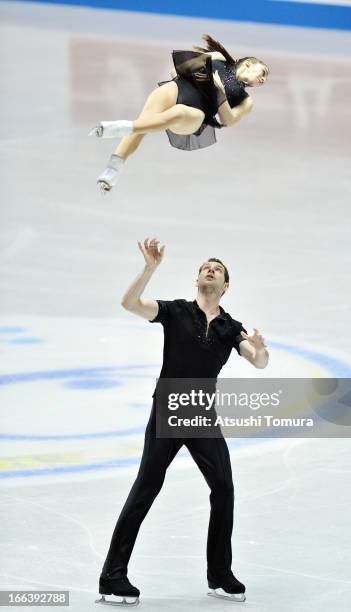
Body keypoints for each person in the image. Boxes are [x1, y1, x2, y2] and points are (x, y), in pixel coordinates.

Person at [96, 237, 269, 607]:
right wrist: (149, 268)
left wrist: (261, 346)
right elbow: (129, 304)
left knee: (223, 488)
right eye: (206, 267)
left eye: (218, 269)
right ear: (197, 281)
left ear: (225, 286)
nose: (210, 269)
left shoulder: (229, 326)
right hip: (171, 408)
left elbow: (257, 361)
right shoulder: (175, 311)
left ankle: (220, 574)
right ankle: (112, 577)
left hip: (202, 414)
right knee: (146, 488)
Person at [89, 35, 269, 192]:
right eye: (263, 73)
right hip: (177, 89)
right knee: (146, 121)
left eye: (265, 78)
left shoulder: (246, 101)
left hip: (196, 114)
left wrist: (220, 92)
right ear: (248, 64)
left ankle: (124, 126)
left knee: (178, 112)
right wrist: (200, 75)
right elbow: (176, 70)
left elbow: (228, 120)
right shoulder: (218, 58)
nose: (263, 79)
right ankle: (112, 169)